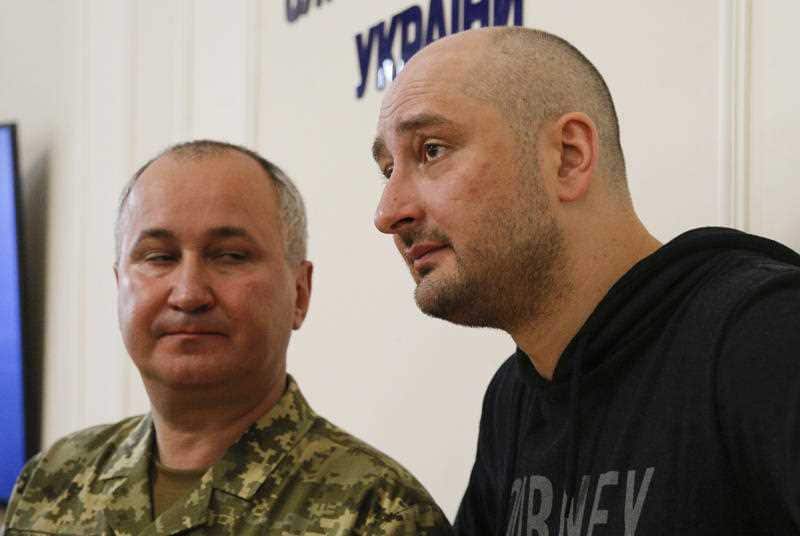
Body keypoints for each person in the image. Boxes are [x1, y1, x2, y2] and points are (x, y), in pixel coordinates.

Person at [371, 26, 800, 535]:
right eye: (387, 168)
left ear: (568, 156)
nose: (388, 212)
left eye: (433, 150)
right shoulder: (514, 397)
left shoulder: (764, 332)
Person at [3, 141, 452, 535]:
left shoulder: (379, 513)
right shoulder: (53, 481)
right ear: (119, 285)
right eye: (158, 257)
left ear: (299, 292)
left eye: (231, 256)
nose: (188, 293)